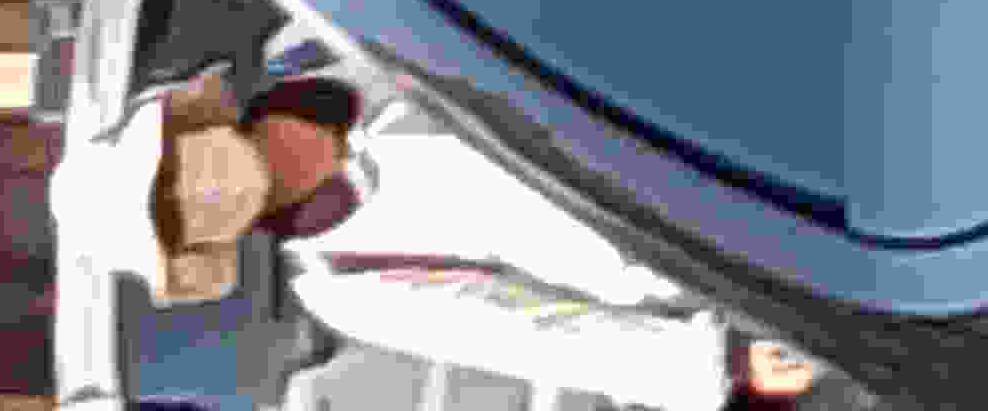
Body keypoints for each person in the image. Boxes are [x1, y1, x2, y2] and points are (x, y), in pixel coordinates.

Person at [104, 64, 825, 403]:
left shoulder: (324, 46)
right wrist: (727, 362)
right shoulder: (341, 281)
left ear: (185, 129)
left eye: (170, 176)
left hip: (720, 115)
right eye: (175, 214)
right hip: (717, 260)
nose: (195, 192)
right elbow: (533, 334)